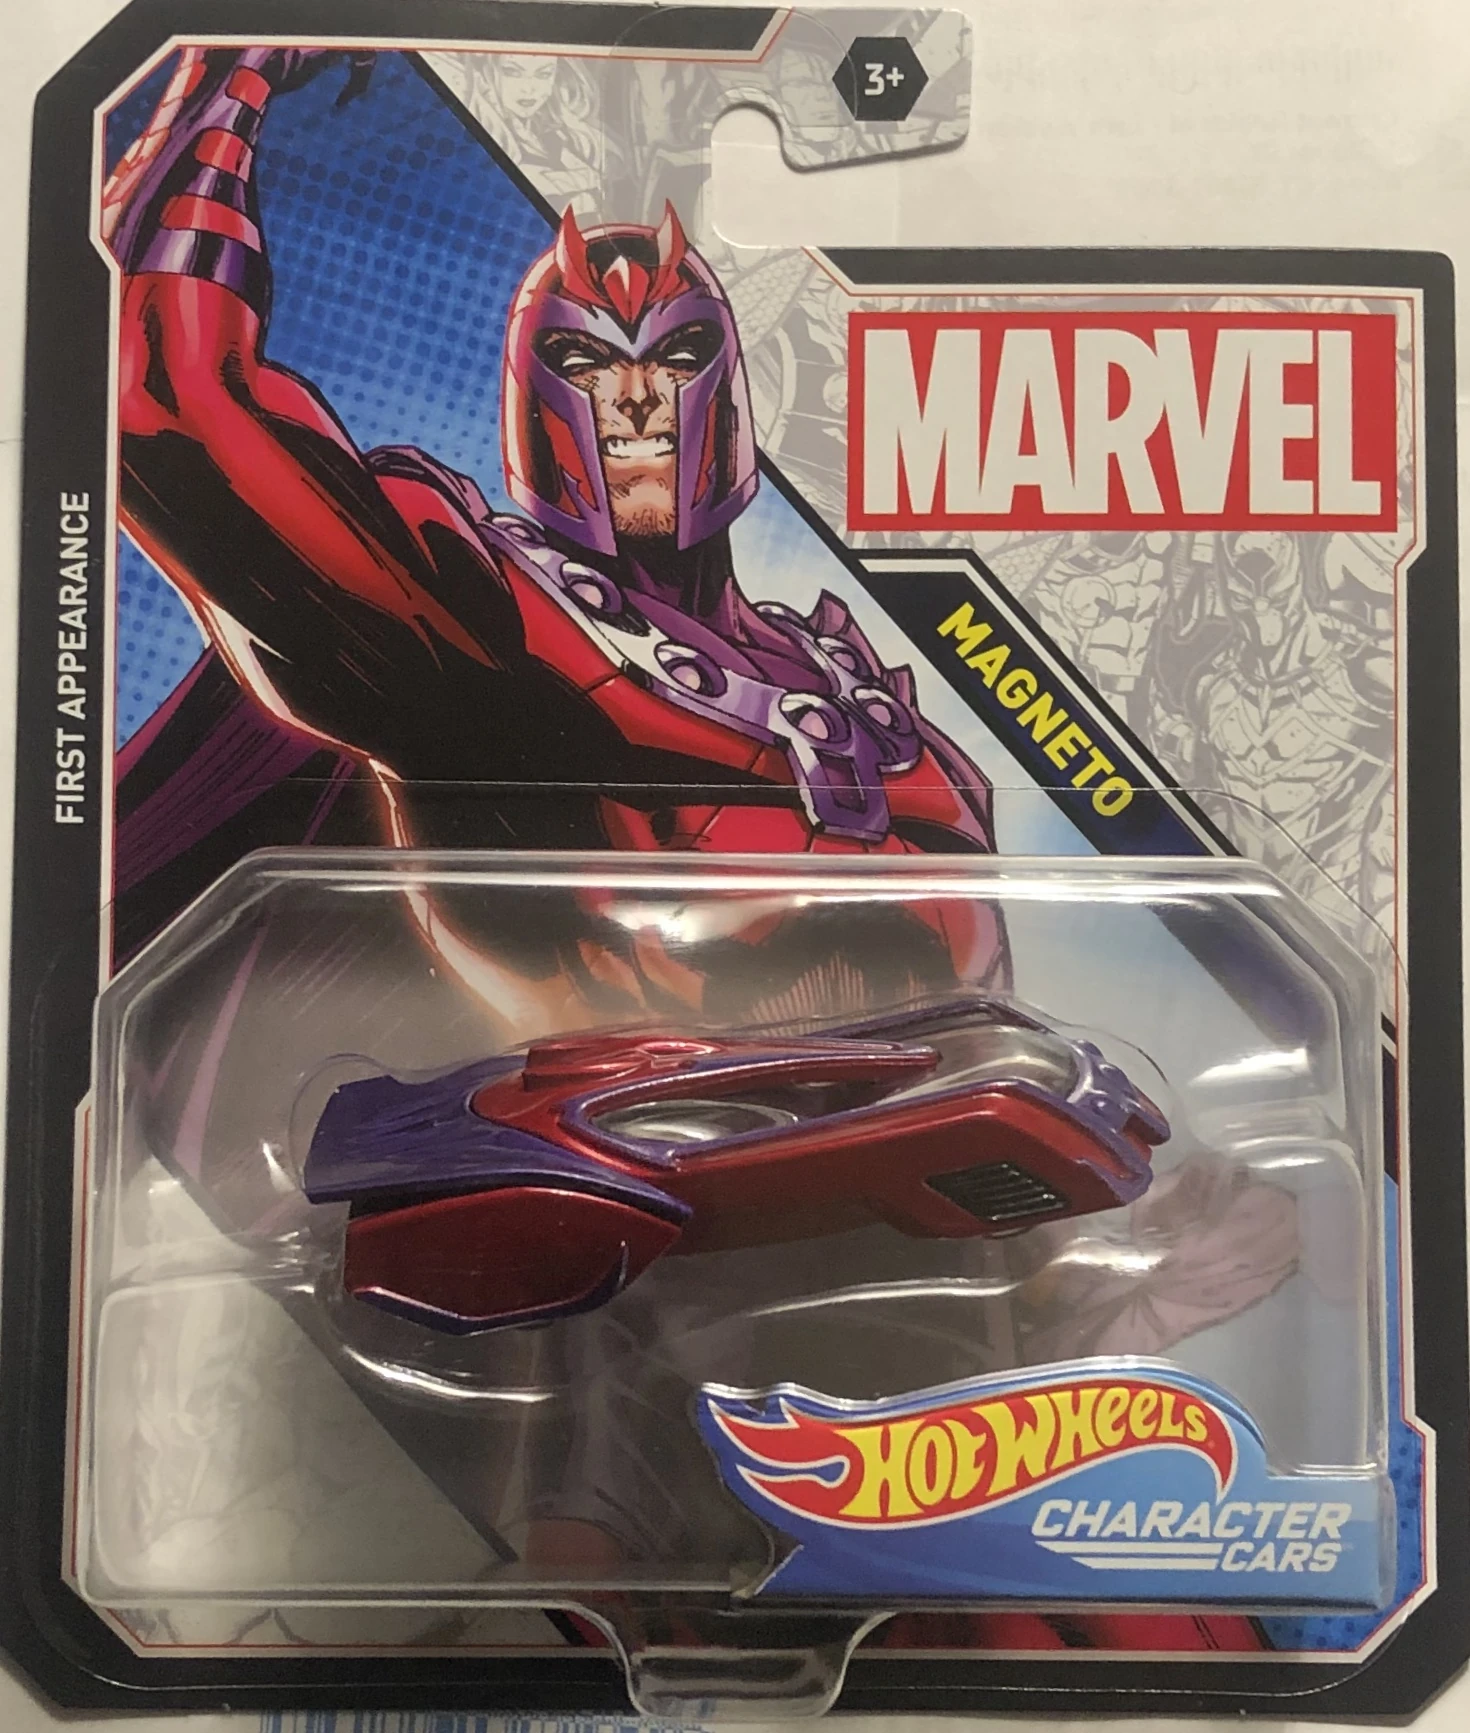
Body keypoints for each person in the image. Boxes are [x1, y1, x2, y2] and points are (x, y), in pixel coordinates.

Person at [106, 45, 1007, 1034]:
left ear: (730, 389)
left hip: (939, 1106)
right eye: (585, 363)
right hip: (633, 1108)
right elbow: (172, 409)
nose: (636, 401)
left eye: (677, 355)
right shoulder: (488, 616)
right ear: (532, 399)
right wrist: (232, 81)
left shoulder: (868, 699)